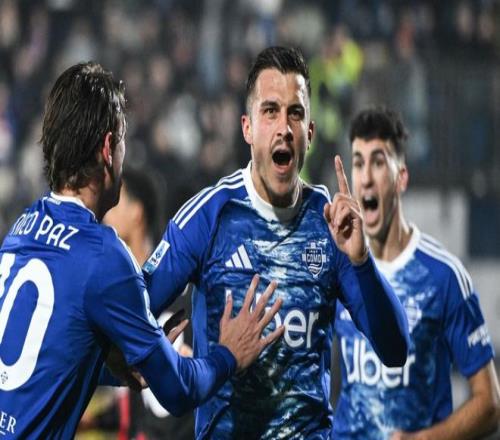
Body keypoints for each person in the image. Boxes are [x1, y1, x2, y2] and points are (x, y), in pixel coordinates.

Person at [0, 61, 284, 439]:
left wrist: (116, 367)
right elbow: (179, 391)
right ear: (107, 148)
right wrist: (228, 354)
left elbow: (40, 360)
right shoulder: (102, 255)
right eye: (122, 143)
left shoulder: (23, 227)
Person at [144, 46, 410, 439]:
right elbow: (131, 313)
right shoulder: (209, 217)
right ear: (248, 128)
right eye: (270, 111)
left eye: (295, 113)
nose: (284, 126)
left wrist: (361, 260)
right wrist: (161, 362)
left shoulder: (331, 224)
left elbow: (396, 350)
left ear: (310, 134)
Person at [333, 106, 500, 439]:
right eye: (358, 163)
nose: (366, 178)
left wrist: (422, 439)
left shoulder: (444, 276)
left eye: (378, 162)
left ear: (401, 178)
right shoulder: (339, 268)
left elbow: (490, 403)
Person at [79, 167, 196, 439]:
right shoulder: (116, 295)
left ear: (137, 212)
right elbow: (137, 397)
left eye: (116, 203)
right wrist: (92, 421)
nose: (105, 214)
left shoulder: (178, 290)